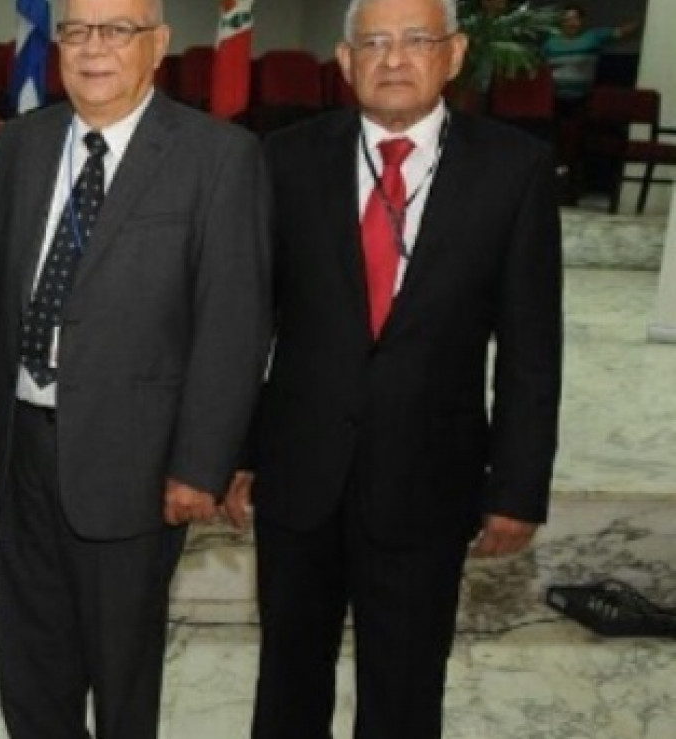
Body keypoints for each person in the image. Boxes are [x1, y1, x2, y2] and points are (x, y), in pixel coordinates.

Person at [225, 0, 563, 736]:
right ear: (344, 62)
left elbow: (534, 345)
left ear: (454, 53)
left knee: (406, 688)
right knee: (287, 678)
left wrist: (518, 483)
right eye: (373, 42)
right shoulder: (284, 159)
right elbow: (247, 324)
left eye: (417, 40)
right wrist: (240, 449)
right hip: (301, 474)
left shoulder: (515, 170)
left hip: (430, 477)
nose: (394, 59)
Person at [0, 0, 271, 735]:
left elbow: (233, 325)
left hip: (136, 462)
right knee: (29, 664)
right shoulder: (20, 144)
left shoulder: (217, 156)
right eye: (76, 30)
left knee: (121, 675)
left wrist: (201, 464)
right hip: (22, 449)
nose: (92, 48)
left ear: (159, 45)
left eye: (118, 30)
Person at [543, 2, 639, 115]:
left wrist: (645, 20)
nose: (571, 23)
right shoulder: (550, 42)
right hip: (555, 99)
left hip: (584, 99)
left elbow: (622, 31)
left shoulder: (593, 37)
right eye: (566, 19)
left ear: (582, 20)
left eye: (575, 19)